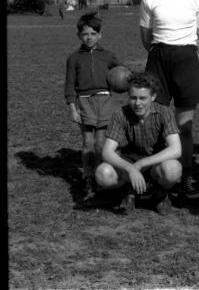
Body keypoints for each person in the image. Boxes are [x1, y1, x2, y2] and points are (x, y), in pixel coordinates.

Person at [139, 0, 199, 200]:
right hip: (158, 58)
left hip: (186, 59)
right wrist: (163, 51)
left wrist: (184, 53)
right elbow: (146, 38)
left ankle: (187, 174)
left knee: (185, 125)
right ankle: (153, 174)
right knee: (151, 121)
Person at [95, 72, 182, 215]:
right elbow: (107, 152)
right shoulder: (120, 115)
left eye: (143, 98)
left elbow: (176, 149)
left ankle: (160, 193)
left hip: (155, 164)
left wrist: (141, 164)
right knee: (102, 173)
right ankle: (128, 191)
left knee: (173, 169)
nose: (137, 103)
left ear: (153, 97)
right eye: (133, 98)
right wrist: (130, 168)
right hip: (128, 162)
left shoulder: (164, 113)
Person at [64, 11, 121, 201]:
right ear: (79, 35)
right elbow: (69, 85)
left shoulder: (108, 55)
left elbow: (122, 74)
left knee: (100, 143)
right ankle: (88, 178)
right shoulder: (74, 58)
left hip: (105, 101)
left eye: (93, 33)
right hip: (84, 101)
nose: (89, 37)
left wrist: (128, 79)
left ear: (100, 34)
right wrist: (72, 108)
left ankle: (100, 175)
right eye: (85, 34)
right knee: (87, 143)